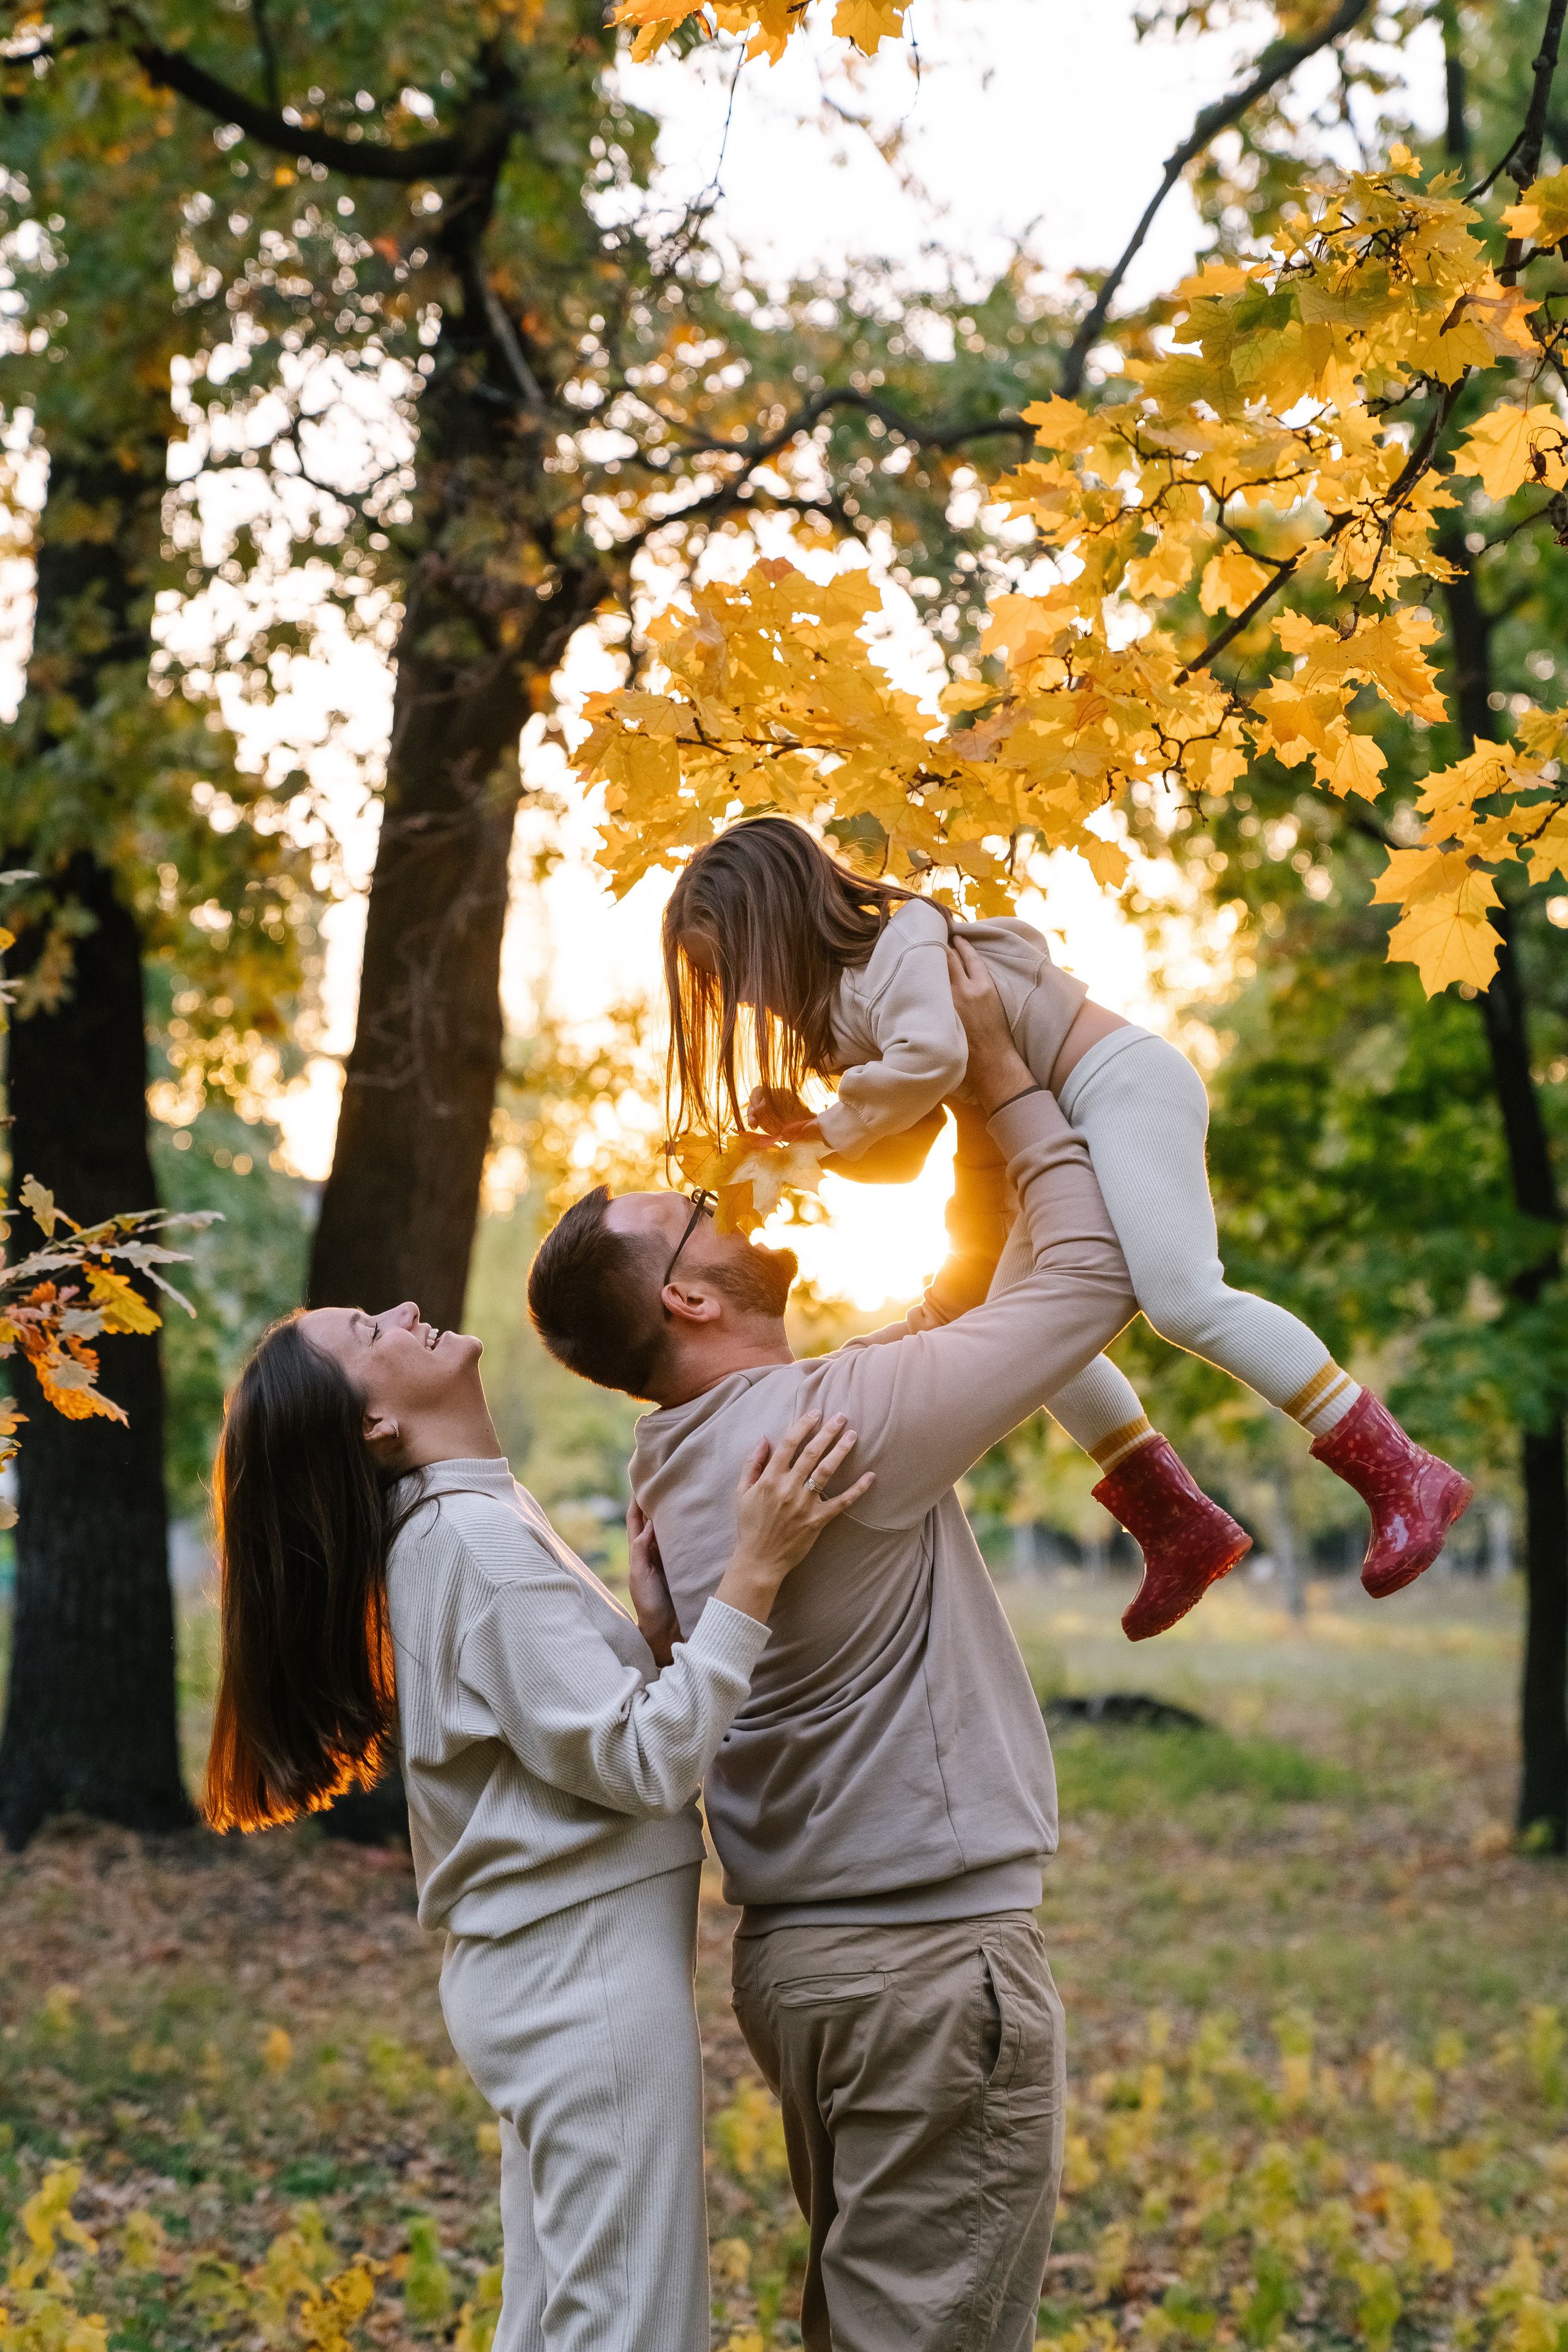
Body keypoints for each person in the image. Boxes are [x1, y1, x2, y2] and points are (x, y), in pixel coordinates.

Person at [527, 943, 1139, 2352]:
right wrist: (1005, 1072)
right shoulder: (829, 1429)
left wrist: (970, 1117)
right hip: (923, 1973)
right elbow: (1090, 1277)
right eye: (690, 1216)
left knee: (866, 2320)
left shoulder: (688, 1450)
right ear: (687, 1301)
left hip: (811, 1970)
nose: (720, 1199)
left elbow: (959, 1306)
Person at [203, 1298, 871, 2352]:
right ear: (375, 1423)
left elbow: (562, 1741)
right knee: (632, 2323)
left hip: (545, 1966)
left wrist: (656, 1637)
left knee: (562, 2312)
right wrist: (756, 1566)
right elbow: (643, 1764)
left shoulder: (465, 1518)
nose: (405, 1311)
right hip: (576, 1972)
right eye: (370, 1332)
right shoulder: (469, 1540)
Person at [660, 815, 1474, 1630]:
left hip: (1114, 1082)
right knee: (1022, 1336)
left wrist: (836, 1122)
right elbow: (903, 1148)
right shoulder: (835, 1013)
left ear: (773, 920)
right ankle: (1177, 1523)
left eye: (731, 967)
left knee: (1183, 1298)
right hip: (1054, 1121)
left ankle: (1402, 1472)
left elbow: (935, 1059)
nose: (739, 994)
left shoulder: (901, 941)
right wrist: (808, 1130)